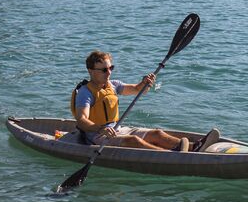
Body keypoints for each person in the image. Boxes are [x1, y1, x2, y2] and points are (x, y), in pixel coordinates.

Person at [70, 50, 219, 152]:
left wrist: (144, 83)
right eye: (103, 70)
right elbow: (81, 120)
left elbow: (135, 89)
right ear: (90, 71)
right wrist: (100, 129)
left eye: (110, 68)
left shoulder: (113, 85)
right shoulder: (85, 92)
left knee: (157, 133)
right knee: (133, 140)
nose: (108, 72)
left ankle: (194, 147)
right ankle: (170, 156)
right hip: (97, 136)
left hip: (117, 128)